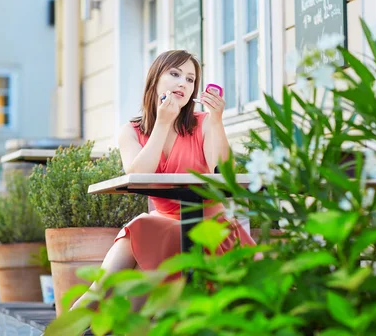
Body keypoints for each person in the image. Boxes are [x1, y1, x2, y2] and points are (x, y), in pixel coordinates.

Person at [71, 50, 256, 310]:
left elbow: (222, 171)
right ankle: (90, 305)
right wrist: (162, 124)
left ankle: (88, 312)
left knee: (144, 236)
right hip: (164, 222)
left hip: (210, 226)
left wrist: (216, 121)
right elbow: (137, 174)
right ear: (155, 79)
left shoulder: (202, 123)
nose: (183, 83)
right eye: (175, 74)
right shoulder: (131, 131)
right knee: (142, 230)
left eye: (190, 80)